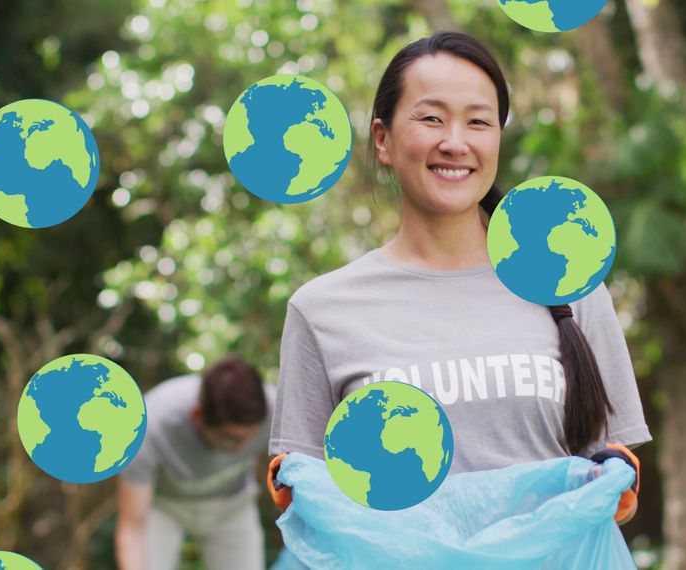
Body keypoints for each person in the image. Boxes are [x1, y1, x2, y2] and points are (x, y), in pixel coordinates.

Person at [265, 31, 652, 529]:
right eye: (431, 118)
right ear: (382, 139)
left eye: (478, 122)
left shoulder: (570, 287)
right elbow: (308, 498)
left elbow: (612, 474)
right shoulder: (321, 310)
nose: (456, 142)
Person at [115, 355, 276, 570]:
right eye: (231, 438)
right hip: (164, 508)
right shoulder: (146, 427)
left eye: (251, 436)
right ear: (198, 416)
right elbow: (132, 527)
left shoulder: (275, 411)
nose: (242, 448)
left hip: (233, 506)